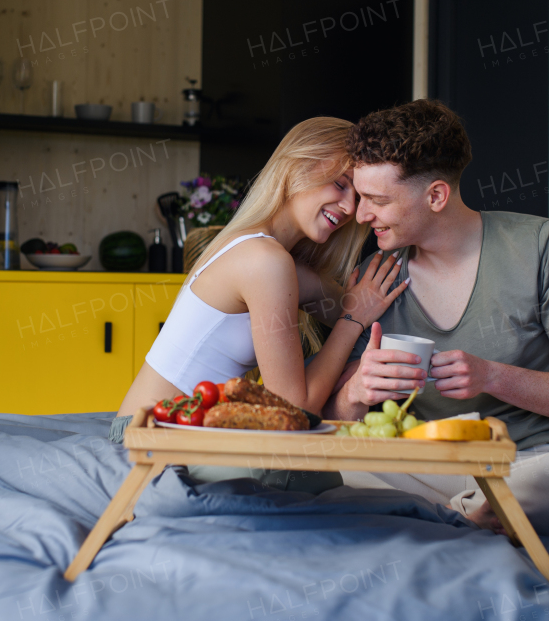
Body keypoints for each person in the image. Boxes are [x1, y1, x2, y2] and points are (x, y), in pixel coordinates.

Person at [323, 99, 549, 537]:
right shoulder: (374, 277)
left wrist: (493, 377)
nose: (360, 215)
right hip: (423, 466)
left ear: (436, 195)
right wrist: (357, 393)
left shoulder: (542, 247)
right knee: (322, 460)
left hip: (530, 465)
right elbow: (336, 415)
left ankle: (454, 520)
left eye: (377, 200)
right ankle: (480, 517)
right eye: (360, 198)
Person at [114, 117, 409, 445]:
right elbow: (297, 407)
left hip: (166, 430)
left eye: (358, 195)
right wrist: (352, 318)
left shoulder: (267, 252)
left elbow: (354, 311)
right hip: (150, 439)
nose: (349, 207)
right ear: (297, 166)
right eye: (341, 184)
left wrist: (360, 309)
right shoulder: (265, 260)